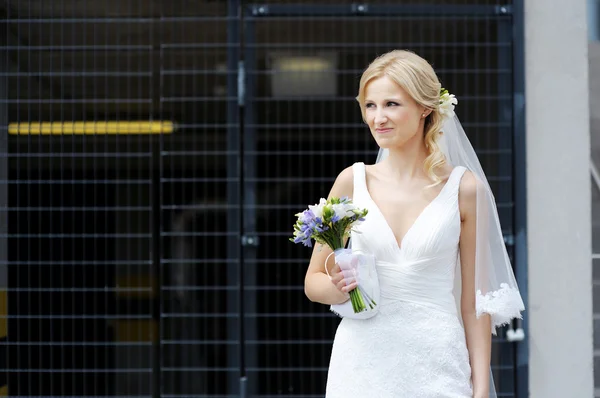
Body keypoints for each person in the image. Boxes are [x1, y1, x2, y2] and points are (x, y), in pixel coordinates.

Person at [303, 50, 524, 397]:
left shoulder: (464, 190)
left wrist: (480, 388)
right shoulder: (351, 182)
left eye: (391, 104)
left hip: (437, 360)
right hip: (361, 362)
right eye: (370, 105)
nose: (378, 118)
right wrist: (338, 287)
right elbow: (313, 281)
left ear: (425, 107)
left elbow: (473, 302)